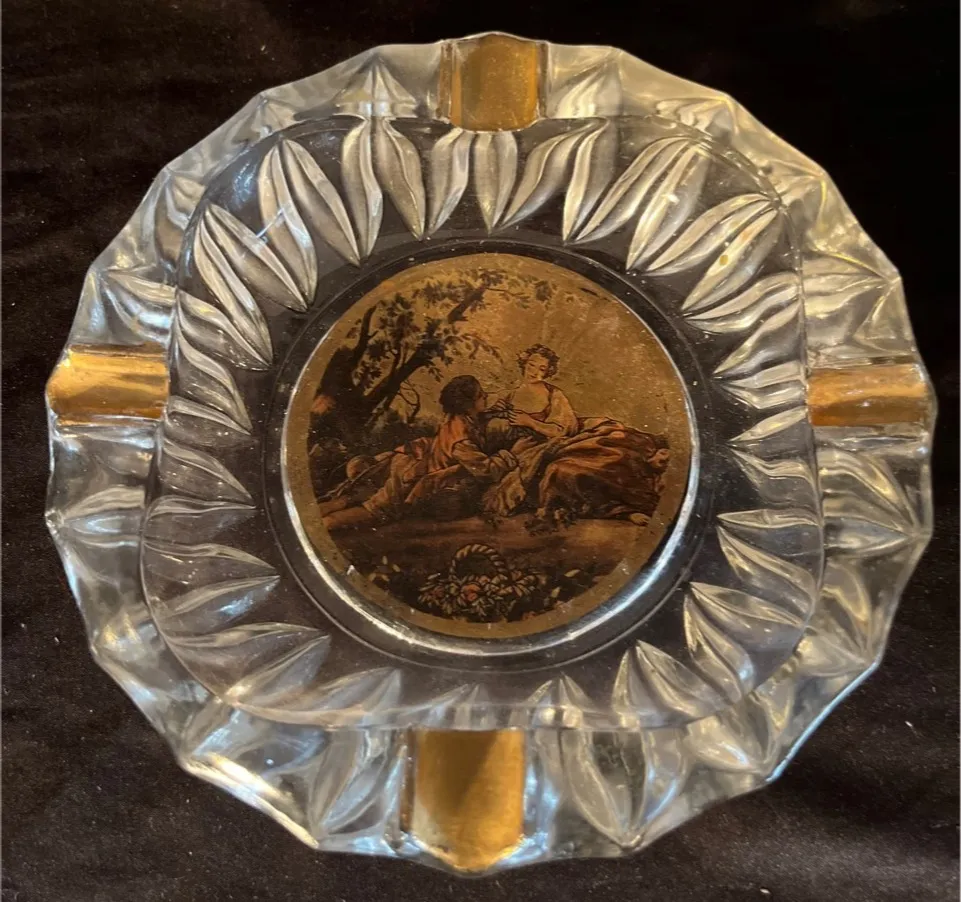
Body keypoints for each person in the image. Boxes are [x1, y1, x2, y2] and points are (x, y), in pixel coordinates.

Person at [322, 375, 517, 531]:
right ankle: (326, 524)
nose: (486, 396)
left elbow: (475, 422)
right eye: (481, 395)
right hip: (413, 474)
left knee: (361, 497)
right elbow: (485, 470)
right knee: (378, 510)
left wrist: (492, 413)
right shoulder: (461, 439)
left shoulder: (457, 417)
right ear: (468, 404)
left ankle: (332, 507)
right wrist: (510, 456)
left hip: (412, 459)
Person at [487, 344, 578, 455]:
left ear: (548, 372)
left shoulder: (554, 394)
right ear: (524, 363)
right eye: (531, 365)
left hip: (535, 446)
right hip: (509, 447)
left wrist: (530, 422)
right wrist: (495, 410)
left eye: (542, 369)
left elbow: (563, 431)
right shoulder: (510, 393)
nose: (534, 372)